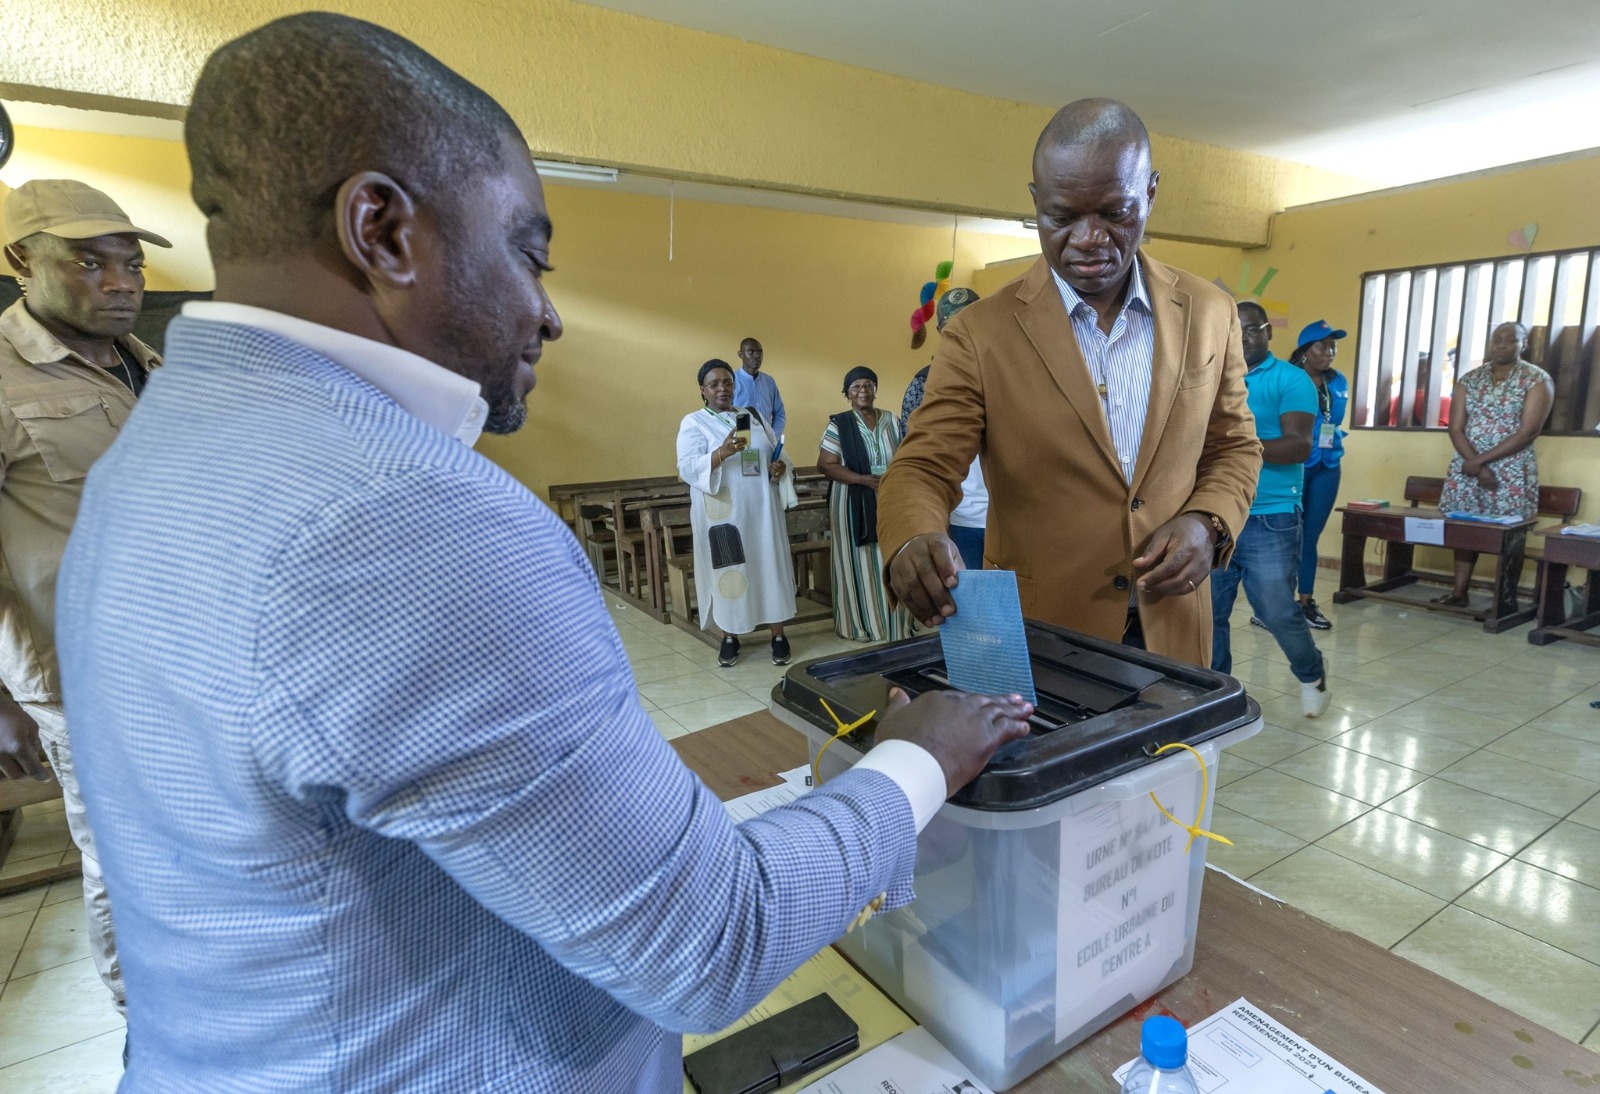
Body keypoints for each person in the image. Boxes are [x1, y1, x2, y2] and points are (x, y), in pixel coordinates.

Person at [54, 14, 1035, 1090]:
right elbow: (712, 940)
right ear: (382, 231)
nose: (548, 312)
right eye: (528, 253)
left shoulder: (153, 443)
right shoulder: (401, 513)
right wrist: (919, 757)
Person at [879, 99, 1260, 665]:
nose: (1088, 239)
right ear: (1036, 202)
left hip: (1174, 624)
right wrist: (912, 538)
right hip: (1044, 635)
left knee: (1177, 757)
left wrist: (1209, 523)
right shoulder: (980, 334)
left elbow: (1234, 447)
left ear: (1150, 193)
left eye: (1115, 212)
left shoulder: (1210, 312)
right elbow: (923, 466)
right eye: (1061, 217)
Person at [0, 178, 171, 1045]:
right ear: (22, 260)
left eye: (131, 262)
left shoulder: (147, 363)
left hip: (186, 663)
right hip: (83, 680)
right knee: (125, 864)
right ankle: (152, 1039)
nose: (121, 280)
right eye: (91, 262)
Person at [1211, 303, 1330, 718]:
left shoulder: (1291, 379)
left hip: (1271, 514)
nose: (1243, 336)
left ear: (1268, 333)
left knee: (1275, 611)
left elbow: (1298, 445)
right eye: (1235, 329)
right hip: (1215, 514)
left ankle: (1311, 670)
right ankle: (1216, 698)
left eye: (1252, 329)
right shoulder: (1211, 376)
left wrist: (1237, 448)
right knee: (1209, 614)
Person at [676, 358, 796, 667]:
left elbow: (775, 452)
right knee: (730, 572)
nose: (722, 389)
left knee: (769, 567)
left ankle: (778, 635)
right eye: (714, 384)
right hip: (724, 517)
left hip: (762, 512)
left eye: (727, 383)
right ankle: (730, 636)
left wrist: (779, 467)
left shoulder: (751, 417)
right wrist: (720, 454)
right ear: (703, 390)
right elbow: (687, 467)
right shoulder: (694, 422)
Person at [1433, 321, 1555, 606]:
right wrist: (1475, 464)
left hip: (1511, 468)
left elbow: (1528, 432)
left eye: (1510, 340)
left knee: (1509, 534)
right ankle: (1459, 592)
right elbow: (1455, 428)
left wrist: (1480, 462)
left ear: (1523, 345)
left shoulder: (1537, 379)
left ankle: (1505, 600)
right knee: (1464, 529)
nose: (1502, 345)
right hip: (1468, 465)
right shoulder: (1469, 379)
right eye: (1496, 340)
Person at [820, 366, 913, 642]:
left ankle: (895, 625)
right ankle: (861, 625)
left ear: (875, 389)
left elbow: (907, 455)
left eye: (868, 385)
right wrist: (862, 479)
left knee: (891, 556)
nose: (863, 391)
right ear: (847, 393)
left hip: (888, 498)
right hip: (851, 502)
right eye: (856, 387)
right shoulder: (840, 424)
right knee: (857, 562)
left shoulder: (893, 421)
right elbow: (826, 465)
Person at [900, 287, 989, 569]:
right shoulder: (923, 384)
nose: (962, 331)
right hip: (961, 517)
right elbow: (916, 456)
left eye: (971, 320)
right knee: (973, 608)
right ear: (940, 331)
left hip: (1012, 517)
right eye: (952, 326)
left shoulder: (1009, 373)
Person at [1291, 319, 1348, 631]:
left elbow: (1333, 421)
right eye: (1322, 345)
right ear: (1304, 351)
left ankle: (1305, 601)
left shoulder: (1339, 382)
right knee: (1288, 535)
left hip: (1328, 465)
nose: (1329, 351)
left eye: (1333, 345)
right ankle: (1274, 603)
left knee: (1310, 536)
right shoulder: (1289, 379)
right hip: (1295, 465)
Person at [732, 335, 785, 439]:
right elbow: (724, 414)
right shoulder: (731, 380)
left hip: (767, 440)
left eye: (759, 352)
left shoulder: (769, 381)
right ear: (740, 354)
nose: (756, 356)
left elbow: (780, 414)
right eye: (750, 352)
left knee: (784, 456)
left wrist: (773, 436)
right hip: (740, 440)